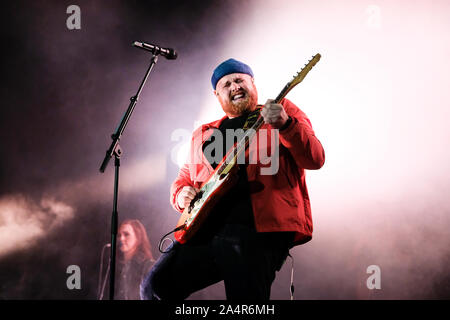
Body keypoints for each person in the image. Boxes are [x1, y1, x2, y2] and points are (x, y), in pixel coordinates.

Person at [140, 58, 325, 300]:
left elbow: (315, 158)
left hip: (256, 231)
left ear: (253, 84)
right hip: (204, 229)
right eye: (226, 84)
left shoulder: (280, 111)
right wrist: (180, 194)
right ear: (216, 95)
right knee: (155, 287)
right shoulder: (204, 133)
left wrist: (286, 125)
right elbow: (185, 176)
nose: (235, 86)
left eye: (240, 80)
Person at [114, 219, 155, 300]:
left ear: (138, 238)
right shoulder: (120, 267)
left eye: (126, 234)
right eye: (119, 235)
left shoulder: (148, 265)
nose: (121, 239)